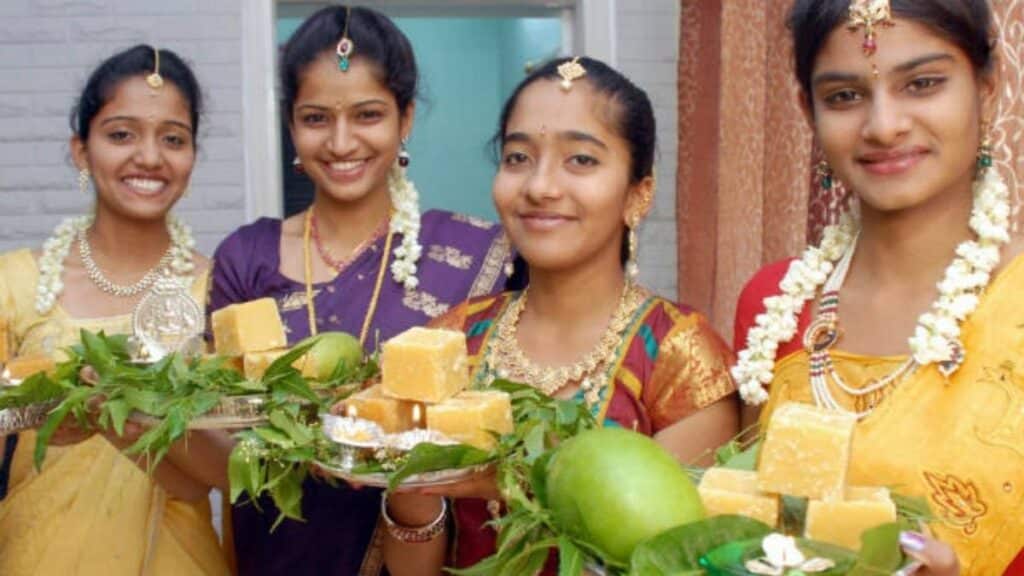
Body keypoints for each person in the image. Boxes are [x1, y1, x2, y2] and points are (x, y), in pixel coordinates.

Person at [380, 56, 739, 575]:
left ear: (639, 193)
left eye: (582, 161)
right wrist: (411, 489)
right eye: (518, 157)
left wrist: (514, 479)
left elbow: (674, 561)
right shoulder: (455, 338)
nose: (540, 186)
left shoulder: (680, 356)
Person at [206, 5, 510, 575]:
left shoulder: (477, 256)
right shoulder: (246, 258)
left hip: (421, 551)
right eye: (317, 118)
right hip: (278, 551)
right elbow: (218, 444)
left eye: (368, 114)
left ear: (406, 119)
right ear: (292, 126)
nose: (342, 142)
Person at [731, 1, 1024, 574]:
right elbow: (748, 527)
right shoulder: (775, 303)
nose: (884, 125)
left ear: (987, 87)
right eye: (844, 96)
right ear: (806, 109)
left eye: (923, 83)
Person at [0, 45, 229, 575]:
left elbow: (230, 475)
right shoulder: (14, 285)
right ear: (82, 152)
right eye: (121, 134)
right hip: (39, 553)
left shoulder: (217, 291)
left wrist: (121, 419)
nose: (149, 157)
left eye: (173, 138)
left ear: (192, 157)